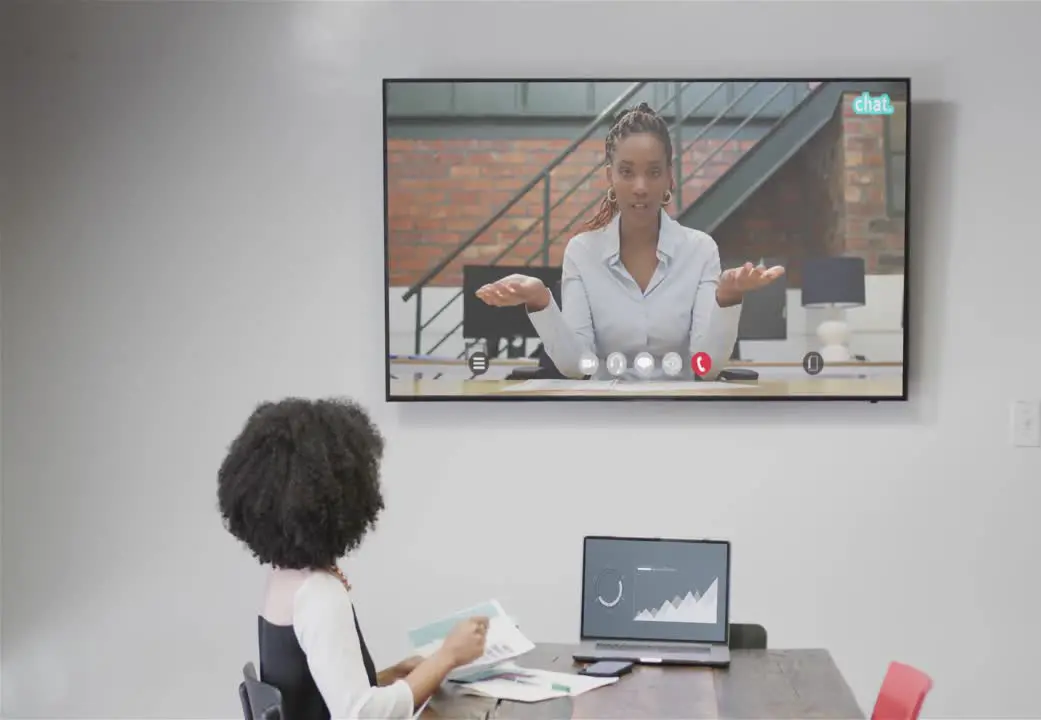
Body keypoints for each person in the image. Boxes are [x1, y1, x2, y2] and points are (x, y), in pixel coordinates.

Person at [217, 397, 488, 719]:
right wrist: (448, 656)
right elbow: (360, 714)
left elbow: (313, 694)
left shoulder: (283, 580)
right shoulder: (318, 593)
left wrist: (392, 675)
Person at [474, 102, 785, 381]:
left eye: (653, 172)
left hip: (682, 419)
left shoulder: (701, 250)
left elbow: (706, 369)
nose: (640, 187)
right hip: (605, 421)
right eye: (626, 172)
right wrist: (540, 300)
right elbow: (575, 367)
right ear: (610, 177)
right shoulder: (582, 253)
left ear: (669, 178)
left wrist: (727, 298)